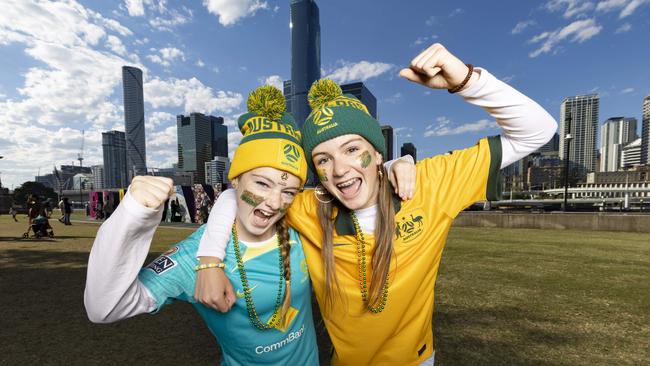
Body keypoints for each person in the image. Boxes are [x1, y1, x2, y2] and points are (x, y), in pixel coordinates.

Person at [195, 43, 558, 365]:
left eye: (352, 149)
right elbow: (236, 194)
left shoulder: (430, 184)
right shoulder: (309, 208)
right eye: (323, 159)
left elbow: (538, 130)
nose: (339, 170)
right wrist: (209, 261)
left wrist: (465, 80)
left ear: (375, 148)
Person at [85, 86, 323, 365]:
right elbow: (103, 309)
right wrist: (131, 216)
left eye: (288, 192)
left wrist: (390, 165)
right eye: (261, 183)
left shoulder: (301, 223)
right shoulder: (194, 256)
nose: (273, 202)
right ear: (235, 180)